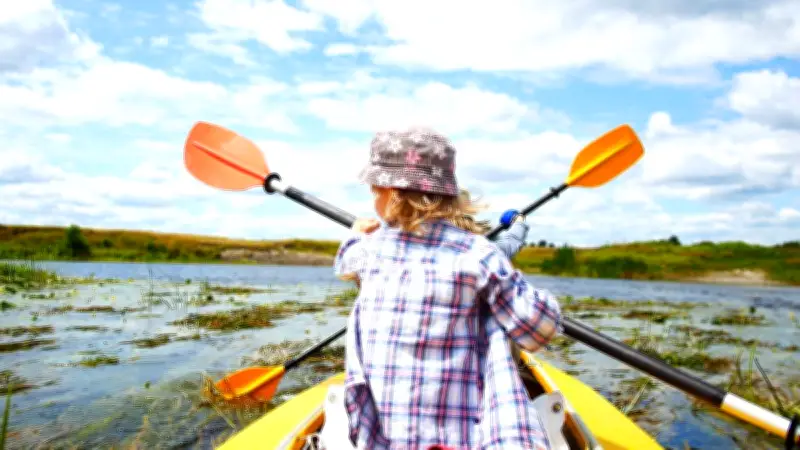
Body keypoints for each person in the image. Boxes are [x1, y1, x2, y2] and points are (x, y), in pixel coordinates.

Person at [334, 127, 562, 450]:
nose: (374, 201)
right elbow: (540, 330)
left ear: (392, 193)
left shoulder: (367, 251)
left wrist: (356, 233)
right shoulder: (480, 253)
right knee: (491, 322)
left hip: (385, 439)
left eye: (375, 193)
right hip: (459, 440)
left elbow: (344, 262)